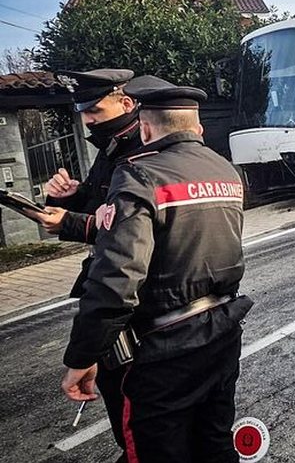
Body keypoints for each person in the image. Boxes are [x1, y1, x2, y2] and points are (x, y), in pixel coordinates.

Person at [57, 75, 253, 462]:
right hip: (222, 332)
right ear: (197, 128)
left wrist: (82, 356)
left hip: (163, 350)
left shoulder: (139, 176)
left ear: (145, 129)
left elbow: (116, 280)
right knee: (215, 444)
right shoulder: (225, 170)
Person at [28, 68, 143, 461]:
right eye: (84, 113)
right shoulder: (111, 148)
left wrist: (69, 222)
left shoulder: (140, 151)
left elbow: (128, 231)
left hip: (128, 295)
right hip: (113, 288)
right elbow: (102, 208)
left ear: (125, 103)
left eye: (95, 111)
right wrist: (70, 198)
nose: (89, 121)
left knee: (133, 408)